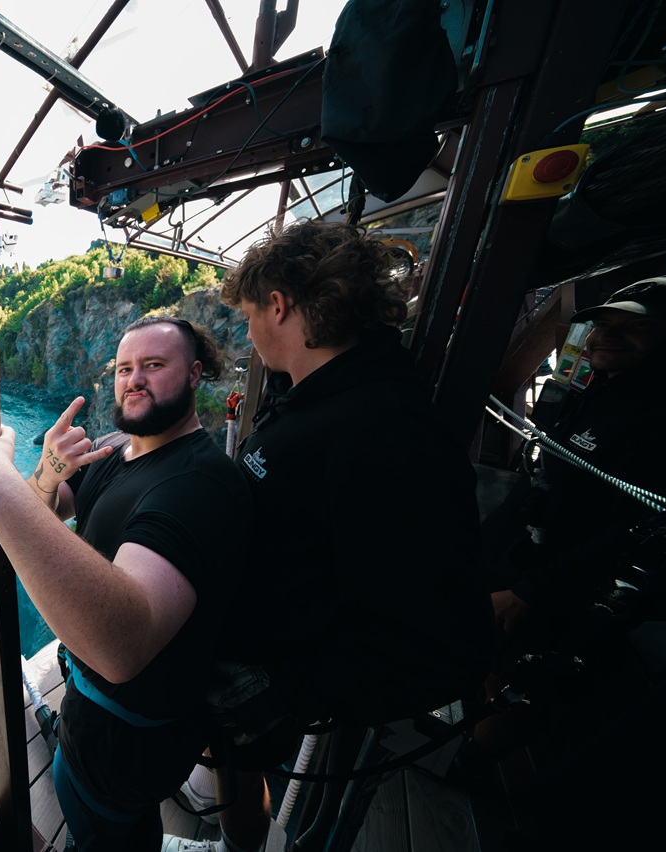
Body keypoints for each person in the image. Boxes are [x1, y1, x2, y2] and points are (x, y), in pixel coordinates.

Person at [166, 220, 496, 852]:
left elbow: (445, 643)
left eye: (249, 315)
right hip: (253, 656)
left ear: (279, 305)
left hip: (273, 674)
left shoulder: (385, 435)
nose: (249, 332)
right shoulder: (321, 398)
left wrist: (282, 687)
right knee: (240, 768)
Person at [0, 316, 251, 851]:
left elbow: (121, 643)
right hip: (95, 709)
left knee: (101, 825)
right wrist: (46, 473)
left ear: (194, 375)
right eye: (124, 368)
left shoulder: (199, 483)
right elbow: (44, 508)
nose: (133, 379)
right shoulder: (117, 448)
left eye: (153, 366)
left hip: (131, 736)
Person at [466, 276, 666, 769]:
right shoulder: (595, 392)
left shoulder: (662, 422)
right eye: (603, 323)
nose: (607, 335)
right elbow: (542, 482)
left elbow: (631, 534)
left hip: (558, 590)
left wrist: (532, 591)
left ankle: (471, 771)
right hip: (517, 563)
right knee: (486, 664)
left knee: (521, 692)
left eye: (636, 326)